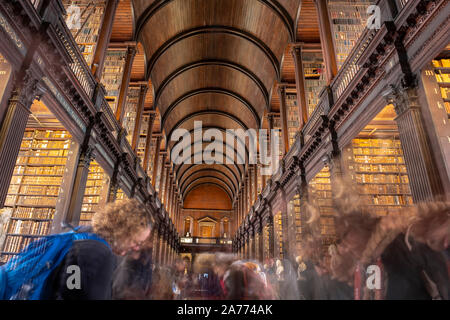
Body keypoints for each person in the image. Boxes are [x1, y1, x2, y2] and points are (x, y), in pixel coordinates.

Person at [42, 199, 152, 300]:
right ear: (123, 232)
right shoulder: (100, 253)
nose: (136, 248)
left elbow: (70, 291)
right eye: (136, 242)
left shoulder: (82, 233)